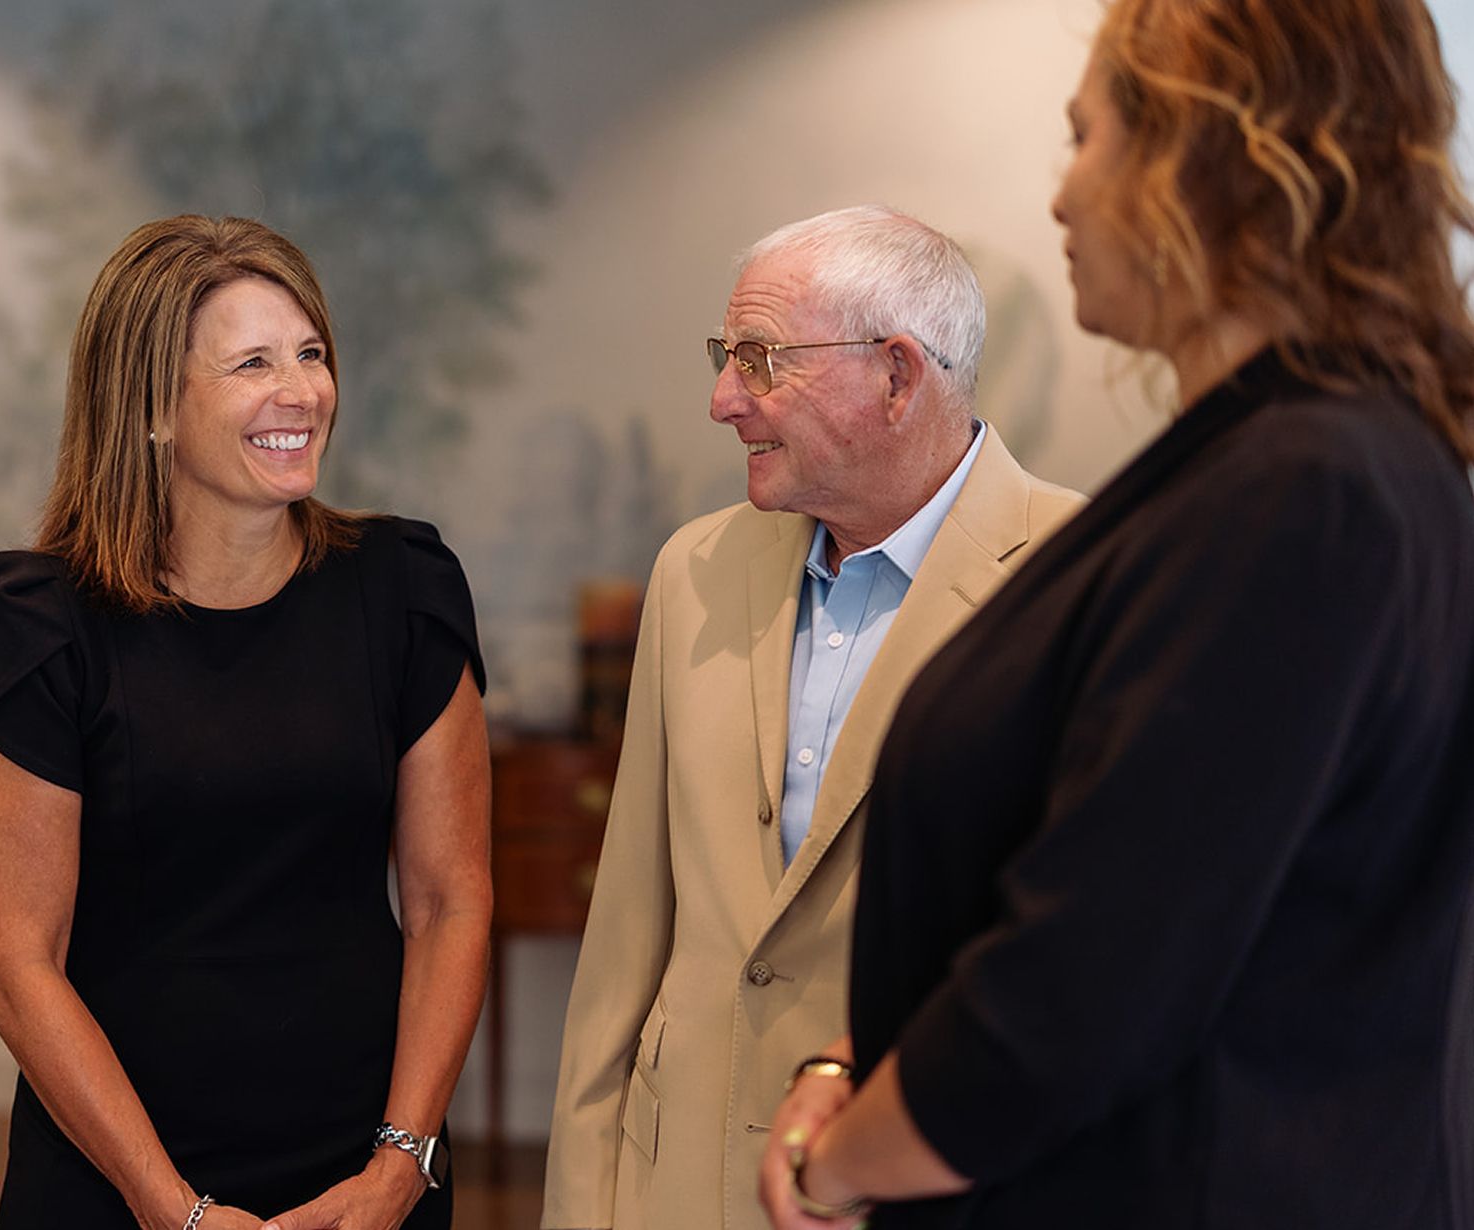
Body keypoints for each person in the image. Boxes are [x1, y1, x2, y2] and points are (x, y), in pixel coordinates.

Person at [760, 2, 1474, 1227]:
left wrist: (840, 1165)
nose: (1061, 197)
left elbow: (1080, 990)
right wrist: (851, 1063)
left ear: (1208, 153)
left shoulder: (1305, 491)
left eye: (1085, 137)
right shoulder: (1285, 464)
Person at [543, 205, 1085, 1230]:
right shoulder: (693, 570)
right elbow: (623, 951)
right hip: (675, 1192)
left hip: (905, 1191)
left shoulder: (1079, 580)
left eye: (760, 360)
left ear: (896, 374)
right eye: (725, 357)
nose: (720, 400)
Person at [0, 215, 491, 1230]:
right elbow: (14, 963)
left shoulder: (404, 587)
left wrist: (401, 1165)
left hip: (366, 1176)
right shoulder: (42, 621)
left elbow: (449, 900)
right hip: (117, 1182)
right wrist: (170, 1208)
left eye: (311, 353)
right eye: (251, 363)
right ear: (153, 406)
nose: (300, 392)